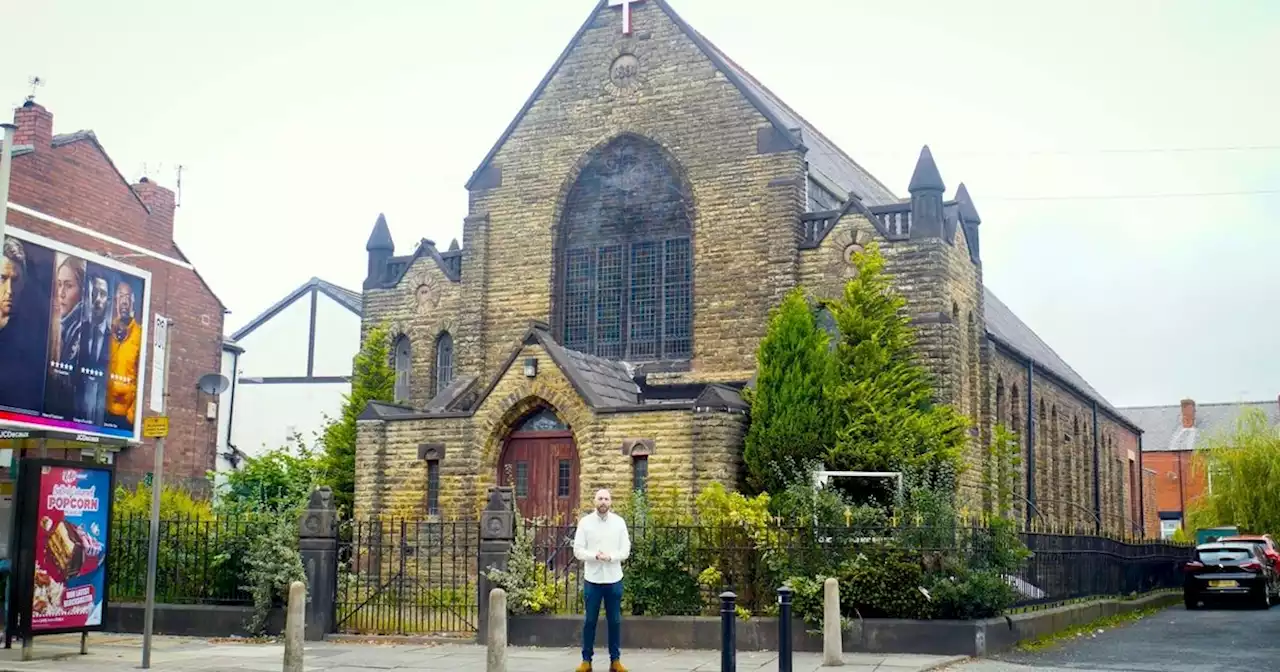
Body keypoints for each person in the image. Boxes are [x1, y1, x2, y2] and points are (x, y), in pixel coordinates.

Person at [572, 489, 630, 672]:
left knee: (615, 621)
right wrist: (595, 556)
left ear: (611, 502)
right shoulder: (585, 523)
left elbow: (625, 550)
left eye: (606, 499)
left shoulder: (619, 523)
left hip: (614, 578)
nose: (603, 502)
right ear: (594, 501)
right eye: (600, 498)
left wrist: (610, 557)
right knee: (590, 621)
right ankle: (586, 661)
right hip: (593, 580)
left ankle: (615, 661)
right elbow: (578, 550)